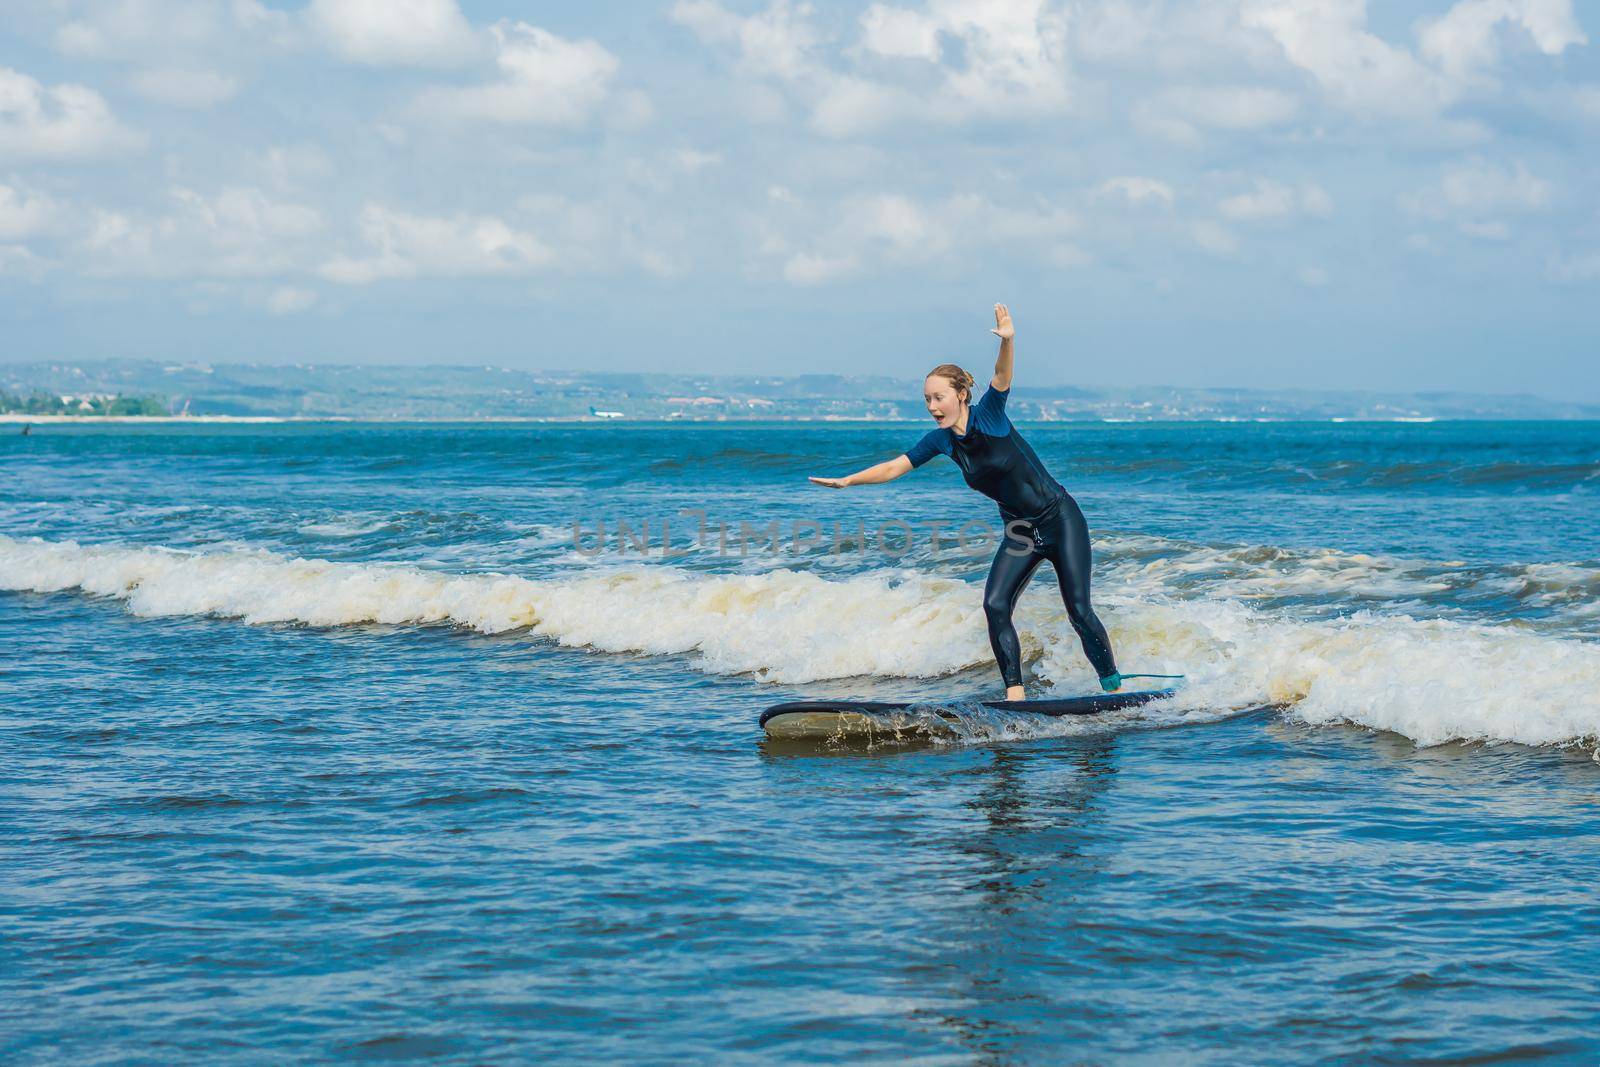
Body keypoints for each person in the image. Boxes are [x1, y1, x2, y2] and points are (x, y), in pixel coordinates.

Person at [809, 304, 1121, 700]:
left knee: (1078, 610)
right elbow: (894, 467)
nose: (932, 406)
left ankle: (1112, 685)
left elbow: (1002, 376)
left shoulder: (989, 415)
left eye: (938, 397)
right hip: (1021, 531)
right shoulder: (940, 440)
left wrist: (1008, 340)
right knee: (995, 604)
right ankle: (1015, 696)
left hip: (1060, 519)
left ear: (960, 395)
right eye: (926, 400)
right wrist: (848, 481)